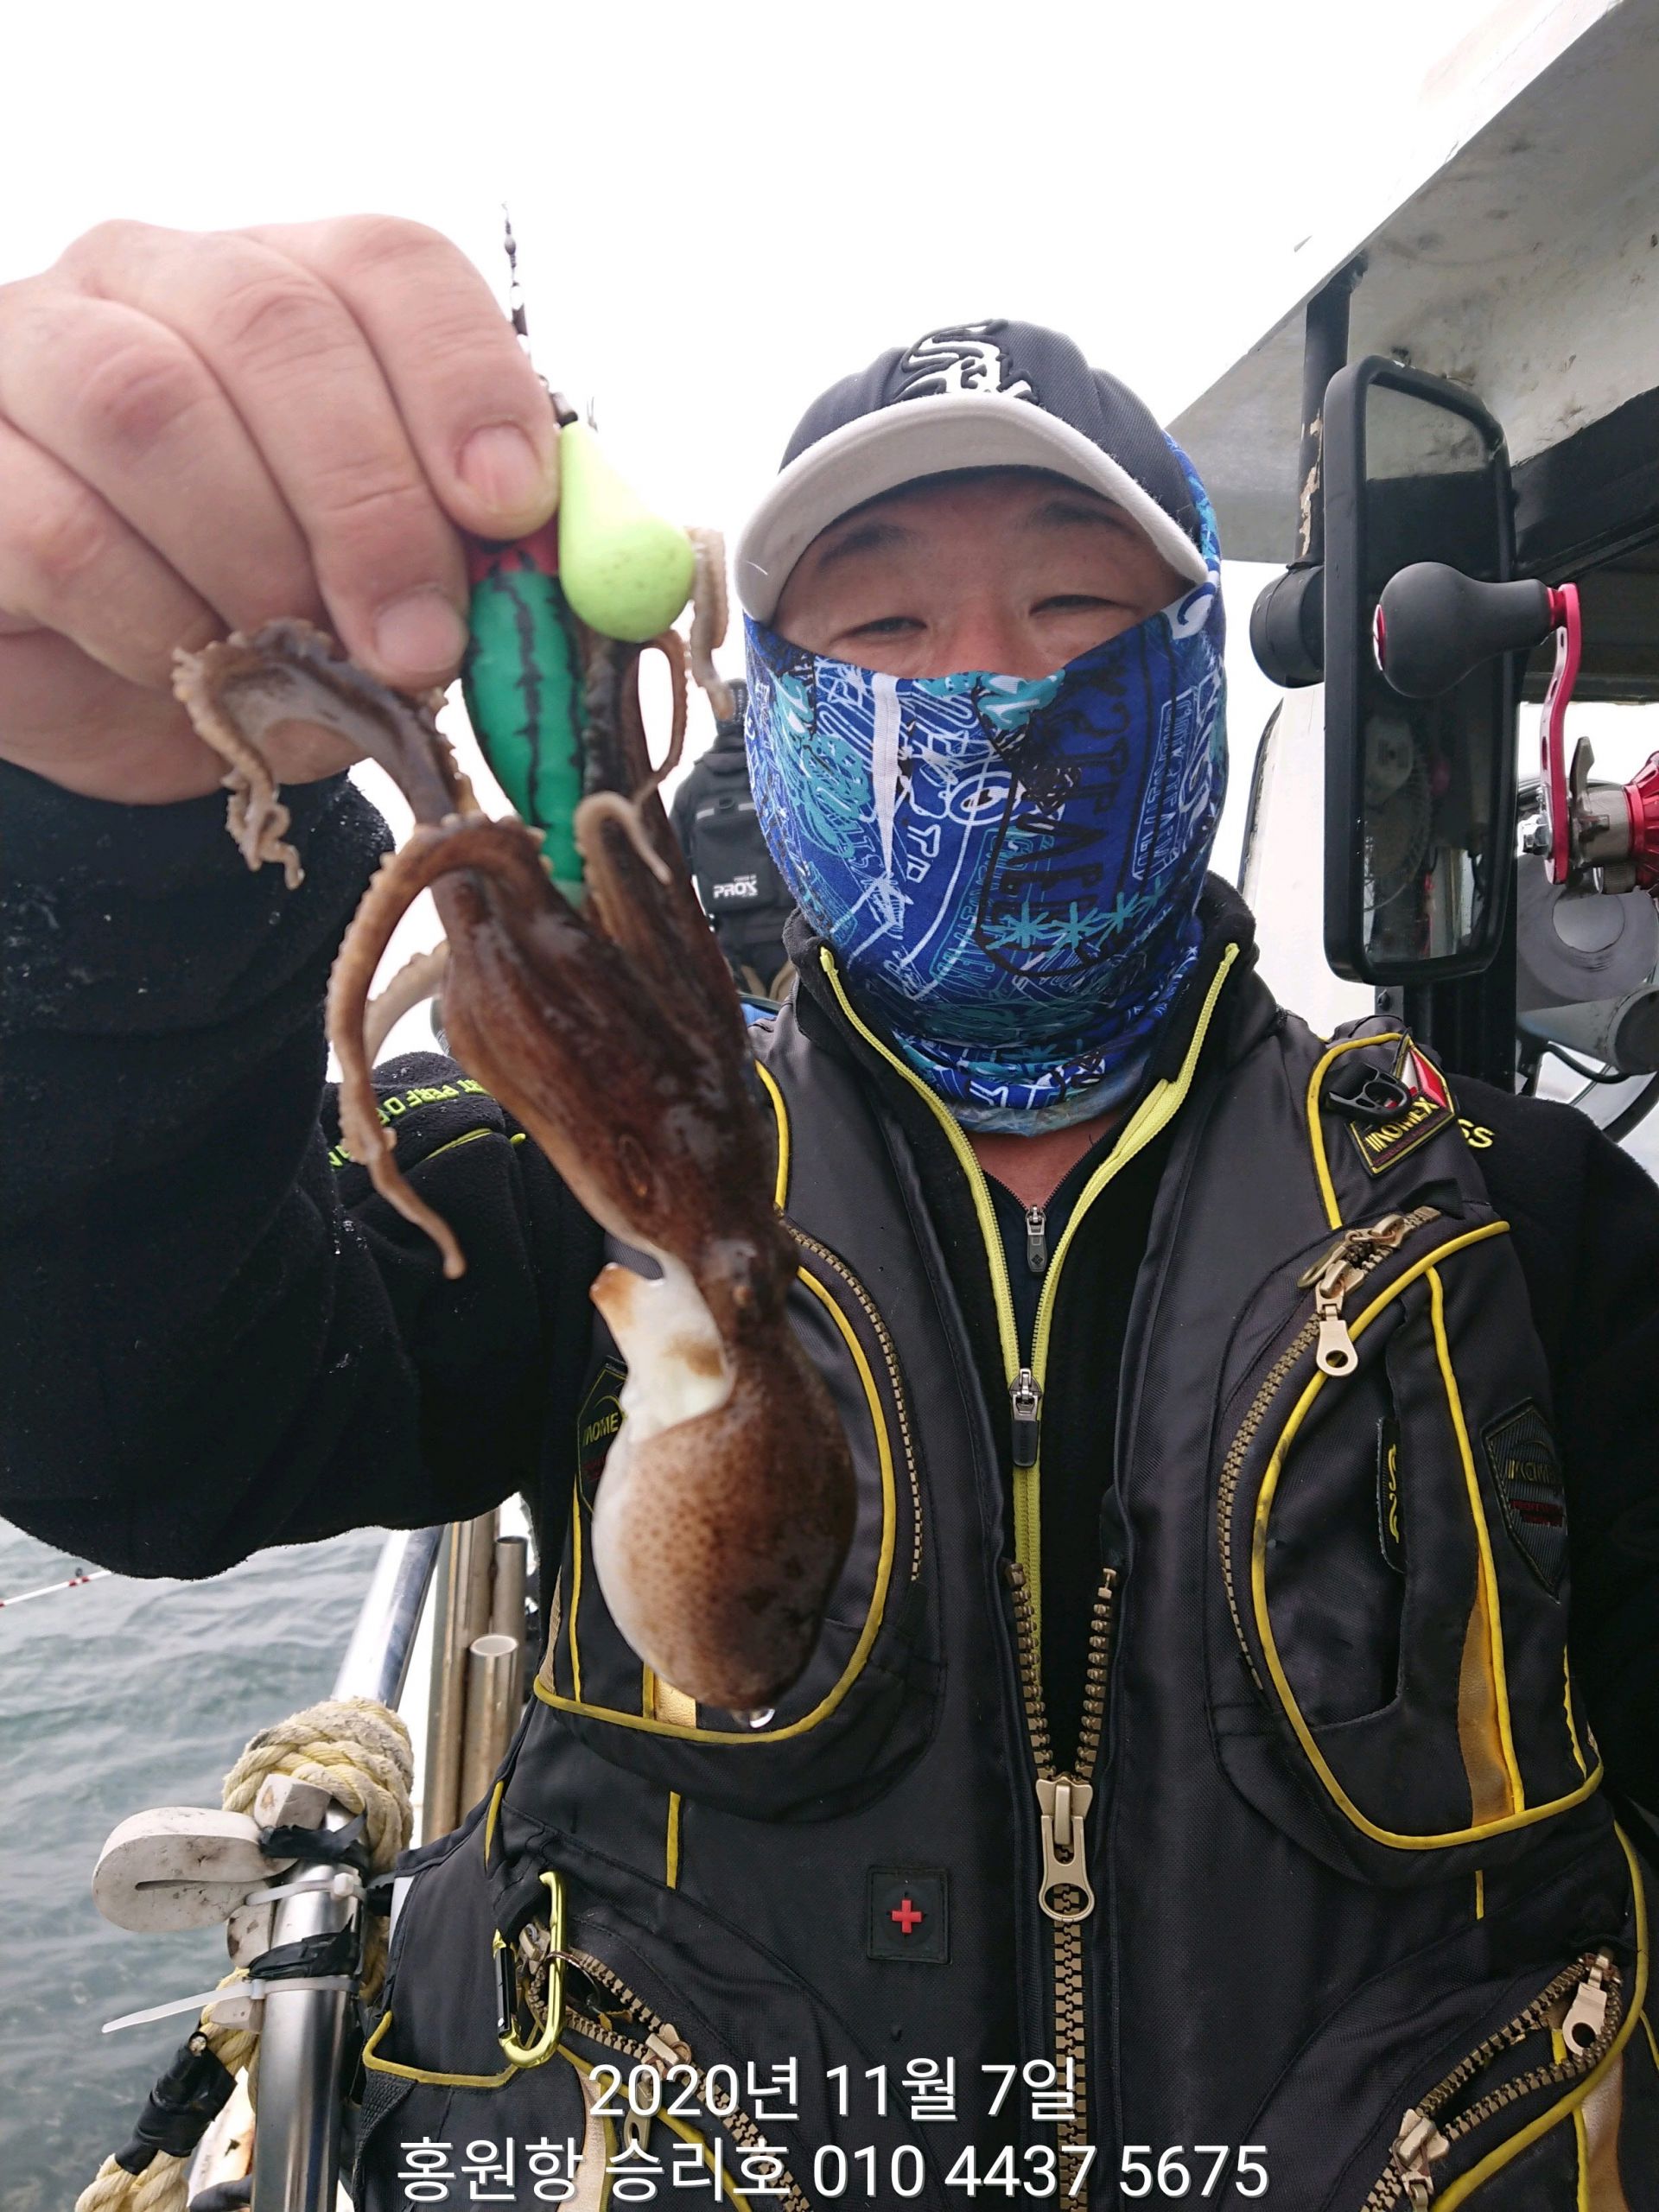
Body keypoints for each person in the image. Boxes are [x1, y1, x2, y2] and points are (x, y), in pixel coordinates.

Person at [3, 221, 1657, 2208]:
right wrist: (102, 825)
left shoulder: (1507, 1212)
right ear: (773, 697)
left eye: (1071, 601)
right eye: (882, 623)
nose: (991, 686)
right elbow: (142, 1410)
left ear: (1190, 668)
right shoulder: (589, 1188)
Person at [669, 677, 797, 999]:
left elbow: (669, 874)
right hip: (789, 939)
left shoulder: (692, 788)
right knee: (798, 1027)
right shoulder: (780, 771)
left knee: (747, 1029)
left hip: (729, 945)